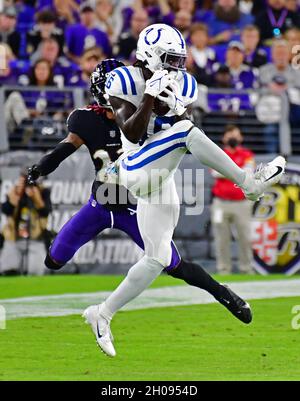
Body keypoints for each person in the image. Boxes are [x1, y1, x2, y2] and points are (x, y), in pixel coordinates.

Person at [84, 24, 286, 357]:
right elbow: (133, 135)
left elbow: (178, 121)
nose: (177, 67)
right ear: (149, 56)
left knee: (158, 256)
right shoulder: (122, 80)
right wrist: (149, 95)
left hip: (161, 177)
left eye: (180, 60)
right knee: (185, 132)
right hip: (134, 167)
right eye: (169, 60)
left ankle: (102, 313)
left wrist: (172, 104)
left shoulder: (185, 83)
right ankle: (249, 183)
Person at [28, 58, 254, 342]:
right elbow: (65, 148)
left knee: (173, 264)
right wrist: (40, 167)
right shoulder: (86, 119)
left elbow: (177, 131)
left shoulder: (147, 116)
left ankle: (223, 294)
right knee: (55, 259)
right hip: (101, 203)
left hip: (134, 205)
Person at [211, 125, 255, 275]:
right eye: (230, 135)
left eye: (235, 135)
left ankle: (246, 269)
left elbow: (248, 173)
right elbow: (215, 173)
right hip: (220, 203)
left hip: (241, 203)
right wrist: (238, 170)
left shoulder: (247, 154)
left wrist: (227, 170)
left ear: (241, 138)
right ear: (224, 138)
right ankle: (223, 269)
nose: (233, 139)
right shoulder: (217, 153)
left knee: (245, 238)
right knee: (221, 239)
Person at [0, 169, 51, 276]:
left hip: (36, 238)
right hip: (14, 238)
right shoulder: (14, 191)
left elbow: (45, 212)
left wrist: (36, 198)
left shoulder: (42, 191)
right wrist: (15, 197)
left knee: (35, 272)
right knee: (8, 271)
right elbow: (6, 210)